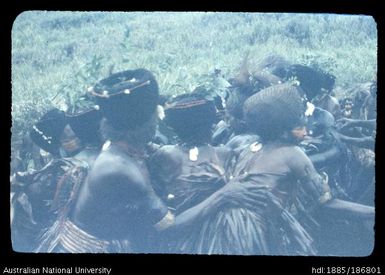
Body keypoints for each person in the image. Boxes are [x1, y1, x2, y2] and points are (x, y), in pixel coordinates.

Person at [41, 69, 261, 253]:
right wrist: (224, 194)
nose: (157, 121)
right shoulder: (121, 169)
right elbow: (169, 227)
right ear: (143, 126)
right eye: (155, 116)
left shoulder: (123, 147)